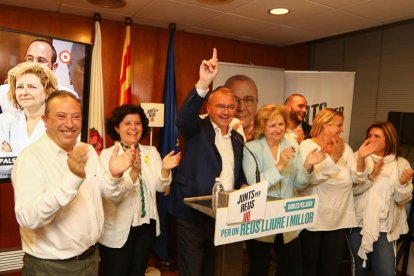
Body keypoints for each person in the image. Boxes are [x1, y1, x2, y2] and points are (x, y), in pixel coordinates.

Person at [11, 91, 135, 275]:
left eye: (76, 117)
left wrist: (115, 176)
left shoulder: (87, 150)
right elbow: (28, 218)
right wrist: (72, 178)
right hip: (52, 267)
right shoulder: (30, 159)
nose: (69, 124)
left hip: (91, 259)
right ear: (45, 120)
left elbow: (109, 196)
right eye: (61, 116)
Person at [168, 48, 246, 276]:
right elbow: (182, 118)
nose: (226, 111)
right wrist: (204, 83)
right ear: (208, 108)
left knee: (216, 270)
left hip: (223, 217)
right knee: (192, 271)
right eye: (220, 106)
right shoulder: (196, 129)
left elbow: (235, 171)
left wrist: (242, 185)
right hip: (192, 216)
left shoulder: (237, 137)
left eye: (231, 107)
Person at [242, 104, 326, 276]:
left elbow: (299, 185)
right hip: (261, 218)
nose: (278, 129)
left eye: (281, 124)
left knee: (293, 269)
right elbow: (254, 185)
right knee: (259, 269)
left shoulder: (292, 144)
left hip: (287, 218)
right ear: (262, 127)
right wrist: (280, 165)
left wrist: (308, 166)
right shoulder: (251, 148)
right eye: (272, 125)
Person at [99, 104, 181, 276]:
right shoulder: (107, 155)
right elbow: (111, 195)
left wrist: (165, 169)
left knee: (138, 272)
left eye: (137, 123)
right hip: (118, 228)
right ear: (117, 127)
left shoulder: (151, 152)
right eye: (127, 123)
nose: (133, 128)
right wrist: (134, 174)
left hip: (146, 226)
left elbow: (161, 186)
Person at [298, 108, 374, 276]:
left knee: (332, 267)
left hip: (339, 219)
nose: (342, 129)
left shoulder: (344, 147)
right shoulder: (307, 145)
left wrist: (361, 157)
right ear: (325, 125)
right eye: (339, 125)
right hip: (314, 220)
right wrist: (333, 158)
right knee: (310, 266)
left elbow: (357, 179)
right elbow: (309, 179)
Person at [347, 121, 413, 276]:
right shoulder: (358, 157)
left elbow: (401, 199)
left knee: (386, 272)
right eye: (369, 135)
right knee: (360, 270)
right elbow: (352, 190)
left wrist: (402, 183)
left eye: (377, 136)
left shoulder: (401, 164)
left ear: (388, 140)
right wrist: (371, 174)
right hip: (358, 224)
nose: (371, 139)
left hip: (385, 227)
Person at [0, 62, 58, 178]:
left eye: (32, 87)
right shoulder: (4, 120)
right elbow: (1, 164)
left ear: (47, 91)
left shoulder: (59, 123)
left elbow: (56, 165)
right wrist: (37, 158)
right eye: (20, 87)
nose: (24, 92)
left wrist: (11, 155)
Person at [0, 39, 77, 113]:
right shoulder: (2, 93)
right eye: (30, 59)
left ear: (54, 67)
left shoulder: (68, 96)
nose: (33, 65)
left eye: (41, 61)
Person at [225, 74, 258, 142]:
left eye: (248, 100)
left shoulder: (269, 139)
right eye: (235, 100)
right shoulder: (208, 136)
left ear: (256, 103)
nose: (241, 108)